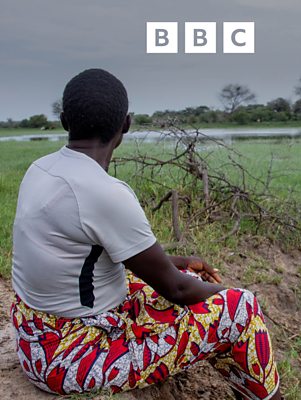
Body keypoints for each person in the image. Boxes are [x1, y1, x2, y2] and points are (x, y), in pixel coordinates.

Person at [10, 69, 282, 400]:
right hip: (69, 358)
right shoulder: (104, 192)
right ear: (125, 124)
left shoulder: (40, 169)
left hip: (35, 337)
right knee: (241, 308)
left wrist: (179, 262)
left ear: (64, 120)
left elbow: (91, 255)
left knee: (185, 276)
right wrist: (232, 295)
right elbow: (177, 290)